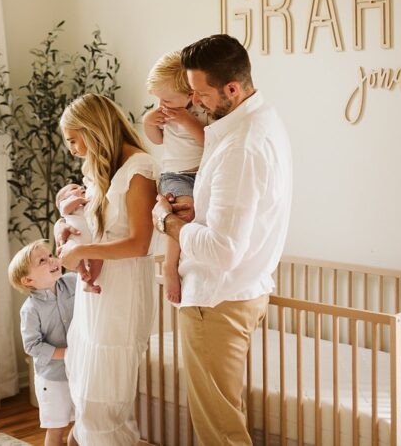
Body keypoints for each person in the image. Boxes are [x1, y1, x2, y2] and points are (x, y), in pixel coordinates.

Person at [151, 34, 293, 445]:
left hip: (217, 300)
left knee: (220, 432)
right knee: (224, 420)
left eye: (200, 93)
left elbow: (222, 250)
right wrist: (195, 214)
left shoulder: (241, 147)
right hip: (238, 292)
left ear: (232, 88)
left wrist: (167, 222)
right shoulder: (260, 121)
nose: (194, 102)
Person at [55, 93, 158, 445]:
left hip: (124, 288)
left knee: (104, 397)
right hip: (98, 290)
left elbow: (139, 244)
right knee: (86, 385)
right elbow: (96, 225)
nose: (71, 149)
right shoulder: (103, 167)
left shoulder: (140, 170)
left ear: (93, 129)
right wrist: (65, 224)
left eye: (73, 139)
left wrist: (82, 249)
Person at [142, 50, 209, 303]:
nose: (162, 105)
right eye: (158, 100)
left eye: (166, 100)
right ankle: (170, 266)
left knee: (196, 214)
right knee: (182, 211)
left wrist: (187, 120)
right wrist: (149, 122)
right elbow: (157, 139)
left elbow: (209, 142)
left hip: (202, 174)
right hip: (175, 174)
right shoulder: (164, 111)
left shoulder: (203, 110)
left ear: (191, 94)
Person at [9, 240, 79, 446]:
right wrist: (65, 353)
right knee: (56, 428)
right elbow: (32, 346)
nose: (52, 260)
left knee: (83, 422)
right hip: (53, 378)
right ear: (28, 280)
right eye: (42, 260)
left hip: (79, 370)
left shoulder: (73, 282)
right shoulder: (30, 309)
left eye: (50, 255)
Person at [56, 181, 103, 293]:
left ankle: (89, 282)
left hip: (90, 242)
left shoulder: (82, 207)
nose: (81, 187)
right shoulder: (67, 204)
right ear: (62, 199)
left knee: (98, 260)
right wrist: (79, 200)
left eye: (80, 187)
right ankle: (82, 272)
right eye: (73, 188)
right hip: (74, 239)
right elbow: (64, 210)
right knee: (77, 256)